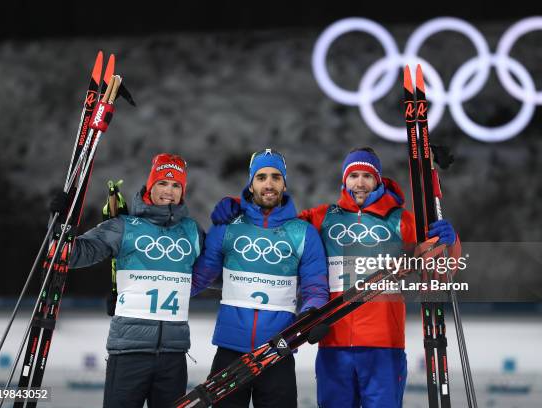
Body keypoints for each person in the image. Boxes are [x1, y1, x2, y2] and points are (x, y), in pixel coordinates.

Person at [211, 147, 461, 408]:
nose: (360, 183)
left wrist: (450, 242)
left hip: (384, 345)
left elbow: (437, 275)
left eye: (367, 175)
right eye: (354, 176)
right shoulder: (321, 218)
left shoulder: (401, 221)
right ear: (344, 180)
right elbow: (274, 223)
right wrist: (238, 206)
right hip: (333, 344)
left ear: (378, 180)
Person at [56, 153, 203, 408]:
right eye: (162, 183)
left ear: (183, 191)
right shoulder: (124, 226)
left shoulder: (192, 231)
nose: (169, 191)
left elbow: (218, 273)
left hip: (173, 355)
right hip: (128, 353)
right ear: (150, 185)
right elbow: (72, 255)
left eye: (176, 185)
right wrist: (60, 223)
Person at [192, 148, 329, 408]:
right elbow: (199, 277)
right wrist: (140, 289)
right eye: (262, 176)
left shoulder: (303, 233)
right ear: (251, 183)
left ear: (284, 184)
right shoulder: (228, 226)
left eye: (276, 177)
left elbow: (315, 287)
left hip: (278, 349)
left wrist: (312, 313)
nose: (269, 183)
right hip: (230, 351)